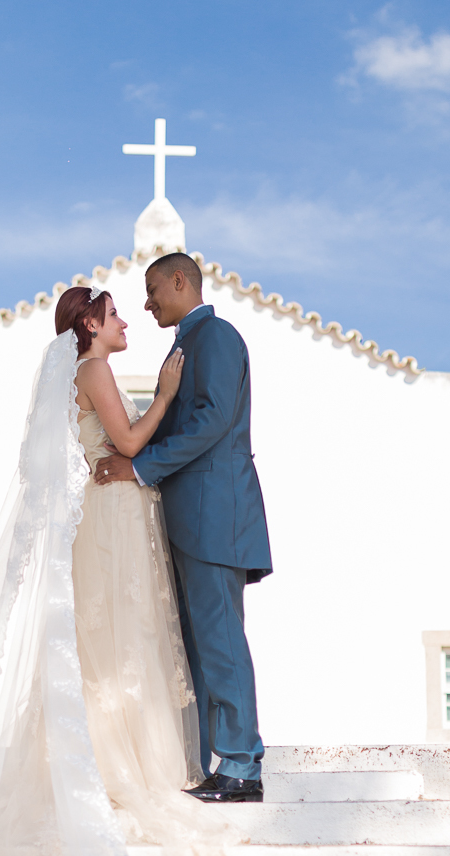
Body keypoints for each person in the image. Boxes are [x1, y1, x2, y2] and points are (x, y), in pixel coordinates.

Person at [96, 253, 272, 803]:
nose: (146, 303)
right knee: (192, 647)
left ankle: (242, 764)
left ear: (181, 281)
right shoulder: (183, 345)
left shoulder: (215, 336)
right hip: (185, 517)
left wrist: (140, 466)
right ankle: (200, 764)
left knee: (220, 641)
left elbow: (213, 420)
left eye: (152, 290)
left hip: (215, 513)